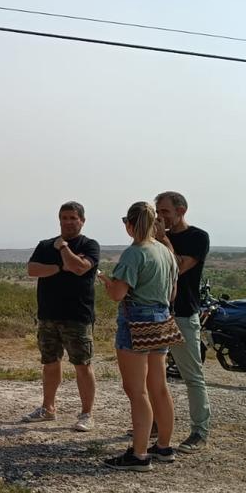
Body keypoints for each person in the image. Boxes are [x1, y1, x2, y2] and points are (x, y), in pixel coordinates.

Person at [98, 201, 178, 471]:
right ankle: (164, 446)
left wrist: (108, 283)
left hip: (136, 322)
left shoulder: (134, 253)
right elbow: (172, 292)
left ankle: (139, 454)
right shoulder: (165, 251)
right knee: (159, 386)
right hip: (162, 320)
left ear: (130, 225)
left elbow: (118, 294)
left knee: (136, 390)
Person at [21, 202, 101, 432]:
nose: (67, 222)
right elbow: (32, 269)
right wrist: (59, 267)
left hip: (77, 316)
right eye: (64, 217)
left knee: (82, 364)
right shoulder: (45, 245)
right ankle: (48, 408)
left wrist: (64, 248)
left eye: (72, 218)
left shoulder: (89, 245)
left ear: (82, 221)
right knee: (49, 362)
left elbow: (79, 267)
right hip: (48, 315)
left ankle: (87, 414)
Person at [155, 191, 211, 454]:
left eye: (165, 211)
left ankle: (200, 430)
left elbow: (177, 266)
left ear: (181, 210)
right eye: (158, 211)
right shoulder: (154, 238)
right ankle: (158, 423)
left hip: (183, 314)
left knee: (192, 375)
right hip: (156, 313)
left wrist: (163, 241)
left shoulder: (197, 238)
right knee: (154, 375)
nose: (160, 216)